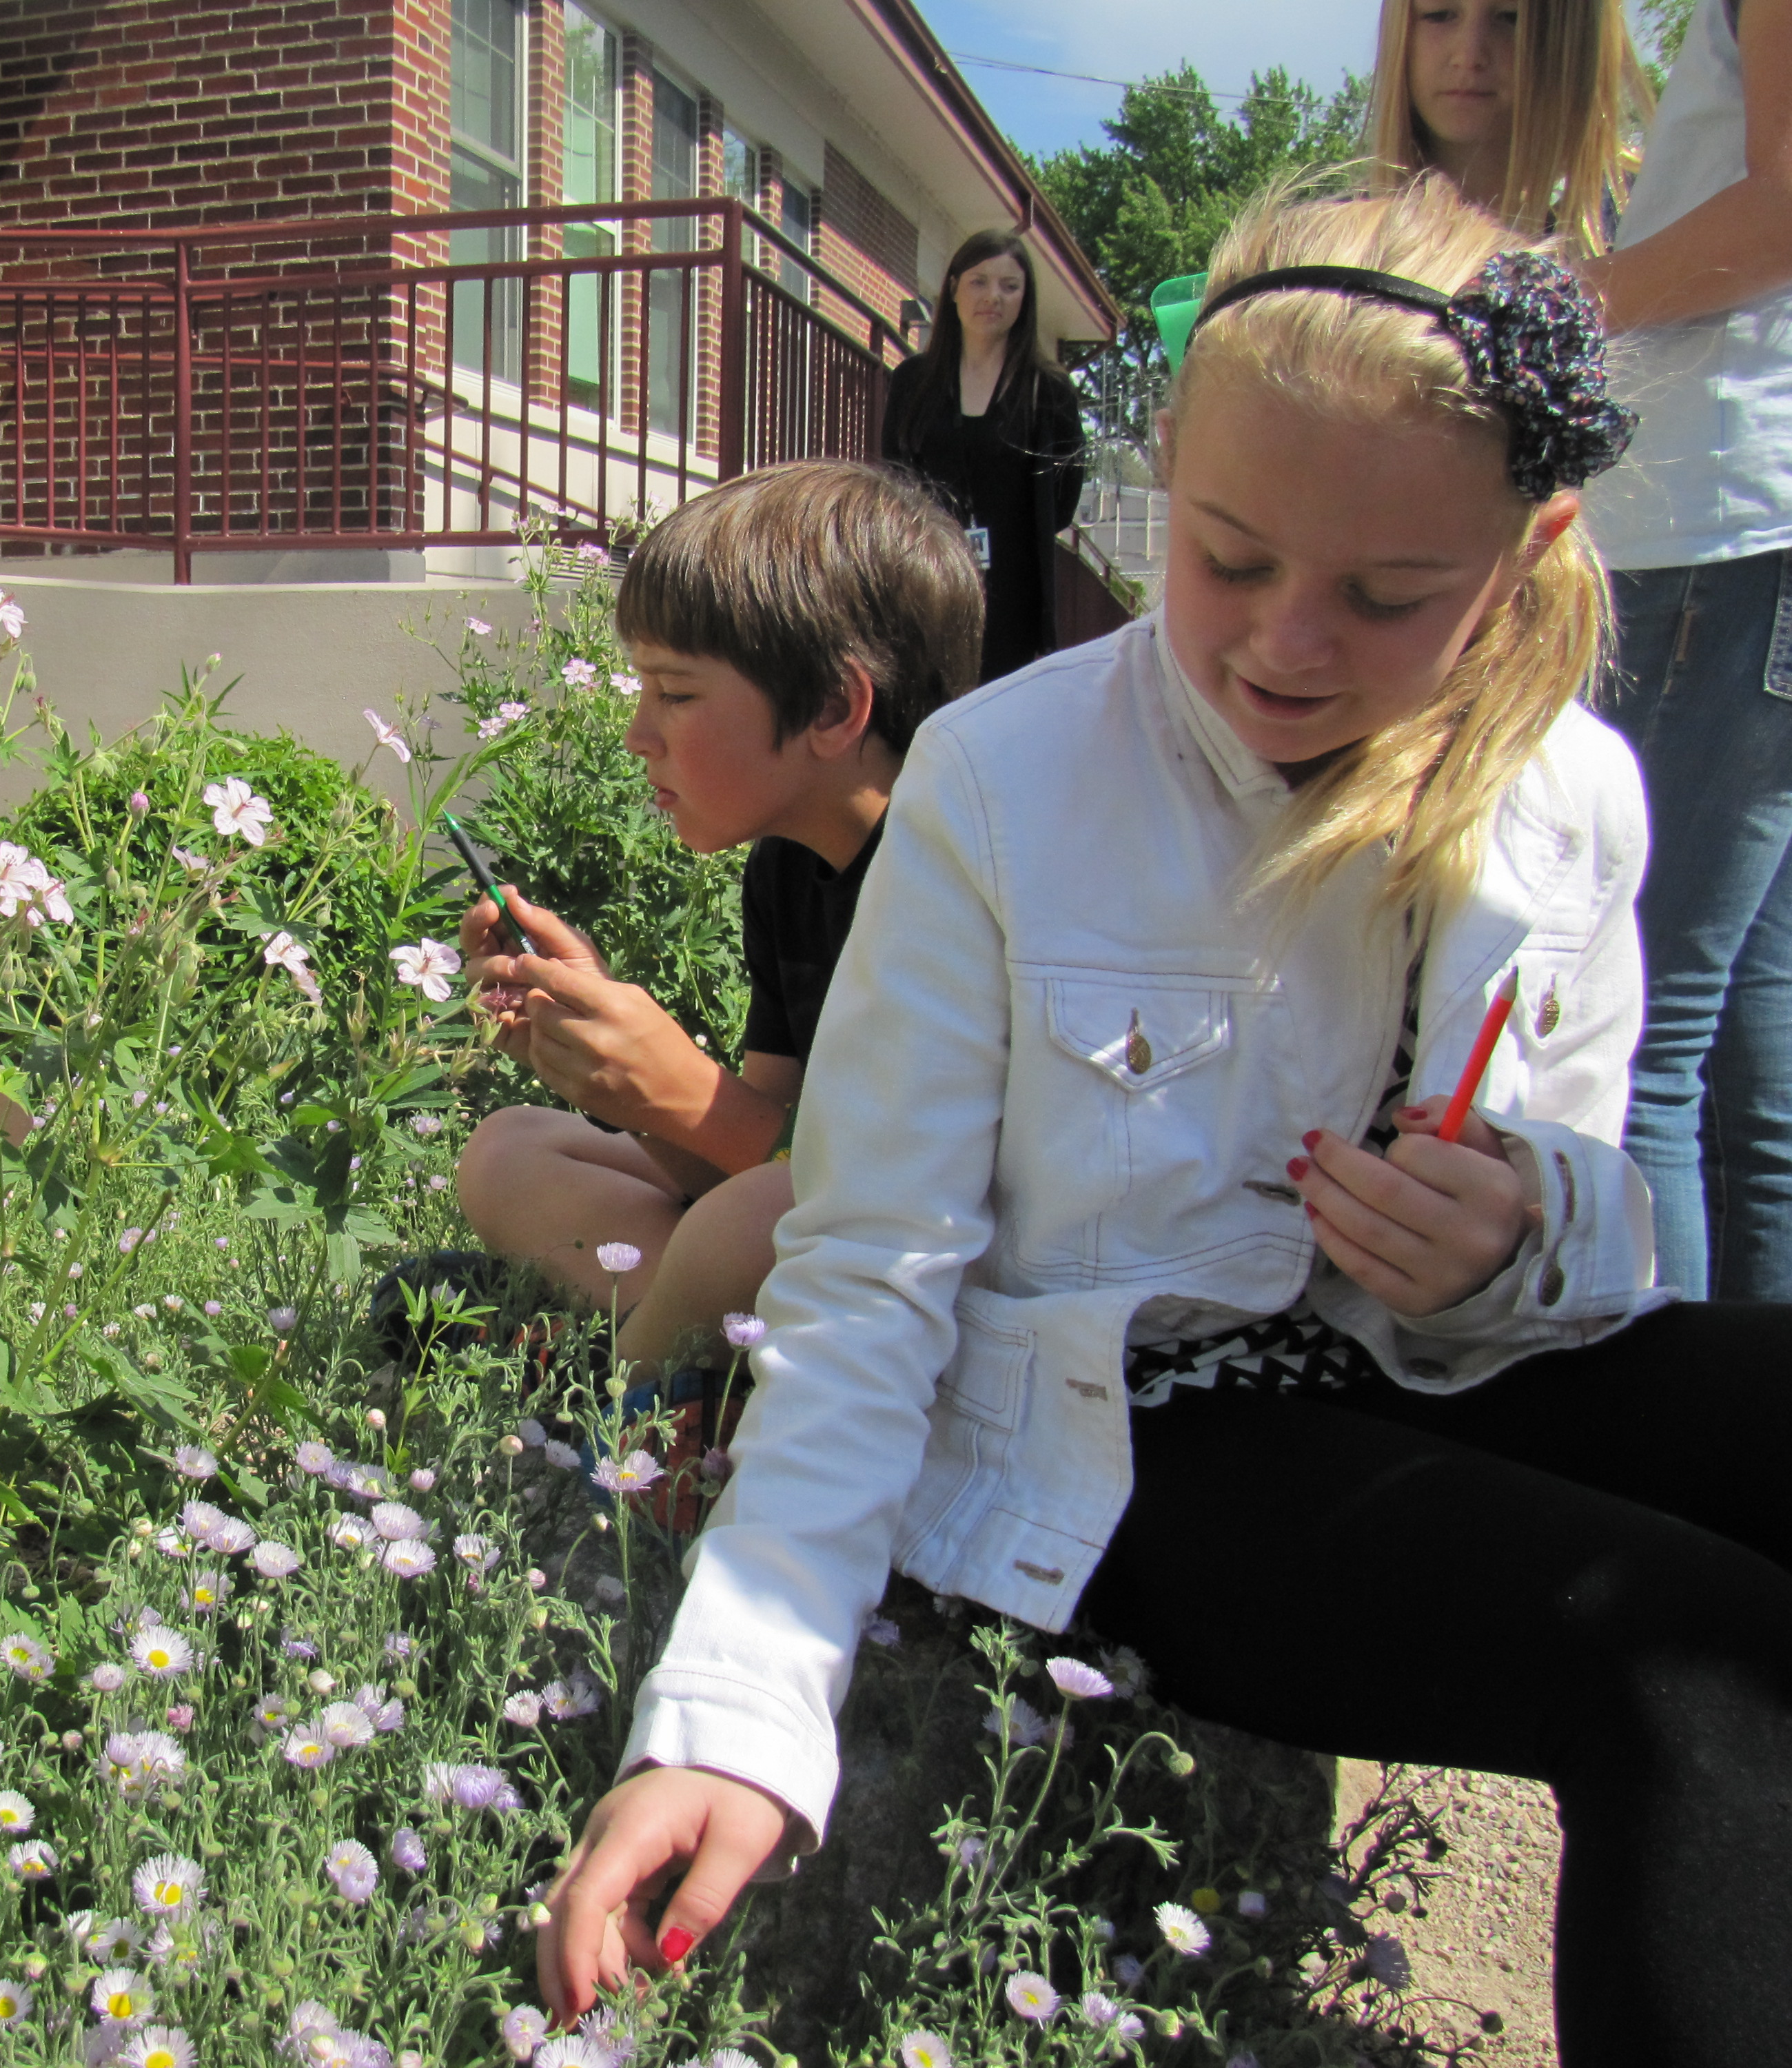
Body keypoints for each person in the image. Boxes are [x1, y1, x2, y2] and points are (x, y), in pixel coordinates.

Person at [538, 181, 1792, 2067]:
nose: (1287, 644)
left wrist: (1518, 1224)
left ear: (1527, 556)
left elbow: (1582, 1216)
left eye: (1387, 597)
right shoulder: (1008, 779)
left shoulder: (1570, 794)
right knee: (1698, 1674)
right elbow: (871, 1265)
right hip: (1124, 1423)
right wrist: (738, 1705)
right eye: (1228, 559)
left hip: (1415, 1378)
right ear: (1164, 486)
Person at [451, 460, 983, 1389]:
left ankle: (619, 1401)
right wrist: (614, 1067)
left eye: (677, 693)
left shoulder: (956, 879)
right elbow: (738, 1162)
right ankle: (694, 1346)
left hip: (933, 1279)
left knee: (743, 1228)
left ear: (831, 704)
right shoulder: (788, 869)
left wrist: (688, 1088)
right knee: (511, 1148)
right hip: (791, 1239)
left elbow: (873, 1196)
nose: (637, 734)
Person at [1576, 0, 1792, 1299]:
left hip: (1712, 526)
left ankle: (1668, 1451)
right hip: (1753, 530)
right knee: (1749, 1047)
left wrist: (1562, 297)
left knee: (1639, 1024)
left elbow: (1780, 206)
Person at [877, 231, 1088, 684]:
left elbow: (1062, 501)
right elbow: (893, 483)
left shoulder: (1048, 392)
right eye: (980, 282)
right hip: (926, 583)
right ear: (953, 288)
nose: (993, 296)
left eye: (1010, 286)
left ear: (1024, 300)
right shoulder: (912, 382)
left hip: (1014, 598)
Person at [1366, 0, 1651, 251]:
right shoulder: (1343, 248)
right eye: (1439, 14)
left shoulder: (1651, 217)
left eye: (1511, 17)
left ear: (1577, 39)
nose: (1469, 56)